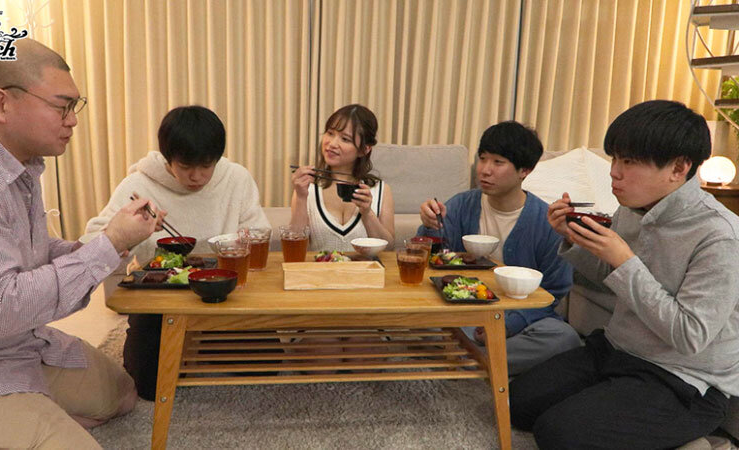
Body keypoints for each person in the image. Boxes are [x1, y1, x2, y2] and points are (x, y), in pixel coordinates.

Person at [0, 39, 159, 449]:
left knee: (123, 394)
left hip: (20, 345)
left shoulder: (19, 163)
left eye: (75, 106)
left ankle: (25, 414)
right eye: (62, 106)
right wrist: (107, 244)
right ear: (1, 103)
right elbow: (1, 309)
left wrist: (106, 246)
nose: (72, 120)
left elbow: (28, 252)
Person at [509, 100, 739, 449]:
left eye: (629, 162)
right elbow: (610, 278)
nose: (614, 172)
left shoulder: (720, 237)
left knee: (558, 433)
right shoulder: (632, 208)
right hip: (618, 350)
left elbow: (690, 335)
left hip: (684, 378)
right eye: (615, 158)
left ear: (678, 168)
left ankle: (704, 443)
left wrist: (626, 262)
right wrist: (573, 238)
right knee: (516, 402)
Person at [82, 105, 270, 401]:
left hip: (224, 295)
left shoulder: (236, 178)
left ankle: (201, 342)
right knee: (148, 384)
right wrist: (130, 232)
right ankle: (195, 344)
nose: (197, 176)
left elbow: (258, 232)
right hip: (160, 299)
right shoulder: (139, 184)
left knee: (266, 369)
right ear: (168, 159)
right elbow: (92, 241)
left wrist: (234, 245)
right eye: (185, 167)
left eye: (206, 166)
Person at [418, 121, 579, 375]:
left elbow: (554, 290)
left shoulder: (546, 221)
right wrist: (430, 226)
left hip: (518, 319)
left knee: (563, 337)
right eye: (482, 159)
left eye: (498, 162)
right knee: (420, 321)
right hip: (462, 312)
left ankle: (466, 359)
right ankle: (483, 360)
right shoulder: (461, 205)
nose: (485, 170)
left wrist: (508, 324)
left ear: (524, 170)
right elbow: (430, 261)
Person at [290, 104, 394, 250]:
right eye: (330, 133)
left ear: (364, 149)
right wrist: (301, 198)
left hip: (366, 266)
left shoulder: (381, 190)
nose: (332, 144)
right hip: (320, 265)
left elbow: (389, 249)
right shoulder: (307, 188)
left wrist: (367, 213)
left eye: (345, 139)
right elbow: (295, 249)